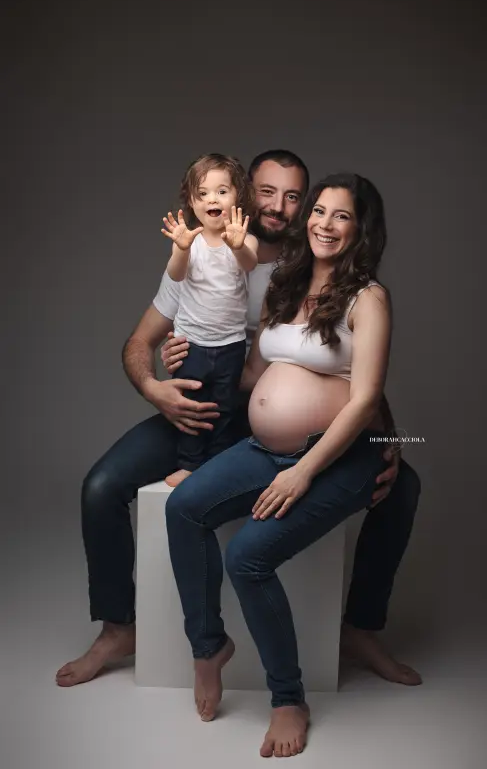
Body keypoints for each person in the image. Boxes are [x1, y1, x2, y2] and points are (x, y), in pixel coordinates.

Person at [55, 150, 421, 691]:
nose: (280, 206)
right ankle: (118, 628)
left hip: (277, 432)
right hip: (205, 412)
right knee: (101, 486)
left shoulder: (306, 267)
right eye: (267, 192)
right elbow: (139, 342)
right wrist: (156, 386)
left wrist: (392, 439)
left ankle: (361, 628)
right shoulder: (201, 252)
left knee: (402, 484)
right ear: (245, 193)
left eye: (295, 197)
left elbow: (359, 383)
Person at [164, 172, 398, 757]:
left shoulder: (368, 297)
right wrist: (184, 353)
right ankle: (207, 646)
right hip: (266, 450)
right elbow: (251, 374)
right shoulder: (285, 283)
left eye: (340, 215)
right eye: (318, 211)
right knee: (184, 508)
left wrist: (304, 470)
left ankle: (288, 698)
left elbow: (365, 397)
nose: (323, 223)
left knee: (246, 558)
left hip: (337, 458)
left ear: (360, 228)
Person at [159, 153, 258, 486]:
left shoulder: (243, 239)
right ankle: (189, 463)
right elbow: (175, 274)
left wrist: (238, 244)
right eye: (203, 193)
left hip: (230, 344)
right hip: (191, 344)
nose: (212, 199)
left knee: (224, 407)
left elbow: (249, 263)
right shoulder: (191, 242)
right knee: (193, 406)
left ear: (238, 198)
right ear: (191, 200)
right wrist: (182, 249)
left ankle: (216, 464)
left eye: (221, 191)